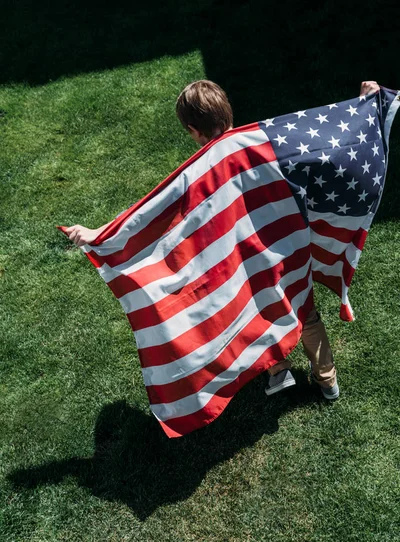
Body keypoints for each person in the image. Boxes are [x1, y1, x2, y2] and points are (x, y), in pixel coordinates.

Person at [65, 79, 380, 400]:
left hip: (244, 264)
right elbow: (323, 143)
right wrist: (364, 103)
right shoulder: (263, 140)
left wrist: (99, 234)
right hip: (286, 251)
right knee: (306, 311)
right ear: (227, 111)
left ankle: (277, 367)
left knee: (255, 314)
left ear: (193, 130)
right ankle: (327, 381)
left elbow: (152, 211)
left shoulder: (198, 172)